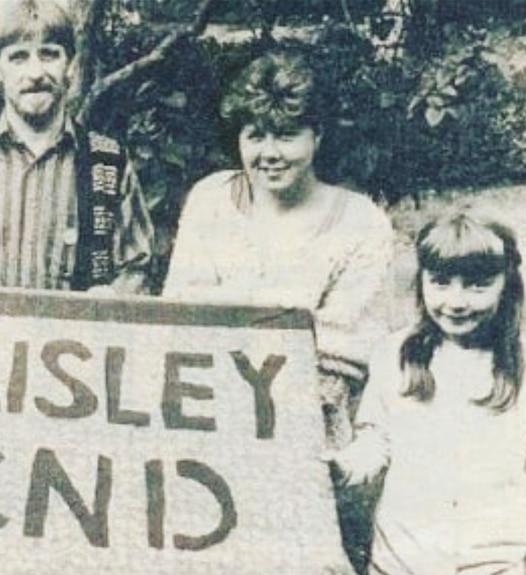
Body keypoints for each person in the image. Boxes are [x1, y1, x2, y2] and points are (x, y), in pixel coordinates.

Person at [161, 44, 394, 572]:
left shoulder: (361, 225)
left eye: (287, 134)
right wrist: (289, 314)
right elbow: (178, 317)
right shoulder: (211, 200)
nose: (269, 152)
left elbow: (343, 358)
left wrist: (238, 318)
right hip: (204, 430)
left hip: (309, 442)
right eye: (255, 134)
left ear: (318, 137)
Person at [0, 0, 153, 294]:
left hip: (71, 339)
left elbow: (138, 270)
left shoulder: (109, 163)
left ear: (71, 66)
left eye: (49, 55)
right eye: (18, 57)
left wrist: (114, 295)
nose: (35, 73)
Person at [331, 209, 526, 574]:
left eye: (477, 285)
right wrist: (346, 464)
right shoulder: (396, 353)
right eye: (439, 281)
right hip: (402, 561)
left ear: (508, 283)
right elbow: (377, 439)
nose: (455, 301)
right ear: (420, 281)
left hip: (497, 563)